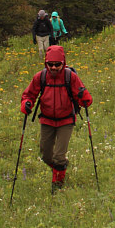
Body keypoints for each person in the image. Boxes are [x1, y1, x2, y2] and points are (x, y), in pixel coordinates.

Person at [20, 45, 93, 192]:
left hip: (66, 120)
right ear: (46, 63)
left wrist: (83, 97)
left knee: (59, 157)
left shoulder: (70, 77)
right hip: (47, 120)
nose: (53, 68)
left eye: (57, 65)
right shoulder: (40, 77)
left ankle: (57, 187)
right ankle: (60, 169)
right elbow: (29, 95)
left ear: (63, 63)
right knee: (45, 154)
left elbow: (86, 100)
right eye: (50, 65)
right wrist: (26, 104)